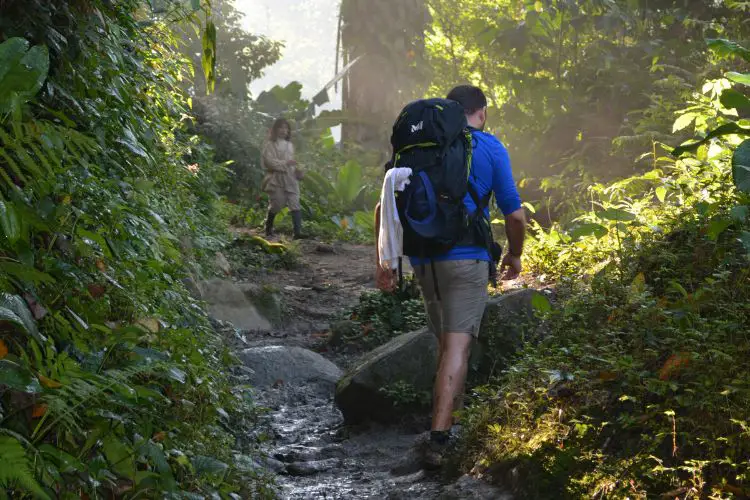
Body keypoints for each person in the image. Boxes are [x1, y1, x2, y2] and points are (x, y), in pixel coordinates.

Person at [375, 85, 527, 469]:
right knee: (458, 346)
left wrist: (384, 262)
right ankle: (439, 440)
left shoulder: (423, 148)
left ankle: (449, 423)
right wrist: (514, 254)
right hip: (466, 258)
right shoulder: (489, 147)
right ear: (482, 112)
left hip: (424, 258)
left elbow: (383, 205)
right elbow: (515, 215)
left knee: (446, 344)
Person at [261, 118, 306, 239]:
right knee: (276, 204)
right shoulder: (270, 145)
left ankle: (297, 233)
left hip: (291, 179)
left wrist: (299, 170)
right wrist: (285, 163)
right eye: (281, 127)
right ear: (275, 129)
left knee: (295, 203)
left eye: (286, 128)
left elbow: (294, 162)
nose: (283, 130)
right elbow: (269, 162)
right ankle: (268, 227)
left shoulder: (290, 145)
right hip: (277, 179)